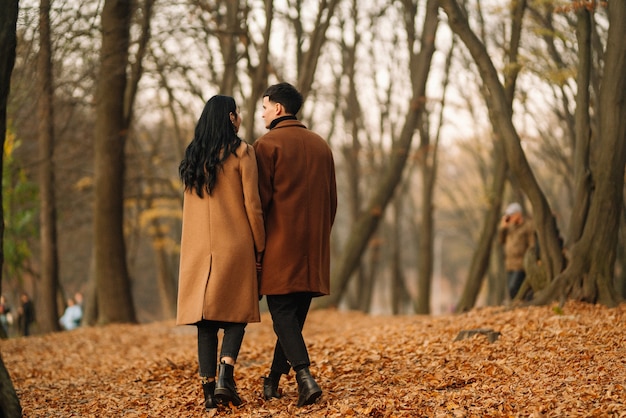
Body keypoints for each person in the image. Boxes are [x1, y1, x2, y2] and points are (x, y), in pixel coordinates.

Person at [176, 95, 265, 410]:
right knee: (237, 313)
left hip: (198, 250)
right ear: (230, 118)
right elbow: (252, 206)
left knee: (205, 322)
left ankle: (209, 395)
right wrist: (260, 244)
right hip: (235, 245)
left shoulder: (192, 157)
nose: (239, 117)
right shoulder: (242, 152)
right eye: (237, 113)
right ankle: (226, 374)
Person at [253, 82, 337, 407]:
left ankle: (304, 376)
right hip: (313, 250)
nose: (261, 114)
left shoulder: (267, 145)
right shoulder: (321, 145)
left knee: (283, 316)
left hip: (279, 247)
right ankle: (273, 380)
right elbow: (332, 201)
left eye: (264, 107)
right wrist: (319, 238)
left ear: (277, 108)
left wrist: (257, 248)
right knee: (291, 320)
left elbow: (259, 203)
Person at [497, 202, 535, 300]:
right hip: (510, 264)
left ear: (518, 214)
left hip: (521, 263)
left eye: (511, 215)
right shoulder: (509, 227)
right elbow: (501, 241)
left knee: (513, 287)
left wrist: (531, 259)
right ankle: (518, 306)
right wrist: (503, 228)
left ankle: (523, 304)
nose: (509, 218)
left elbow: (532, 244)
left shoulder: (527, 225)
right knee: (511, 290)